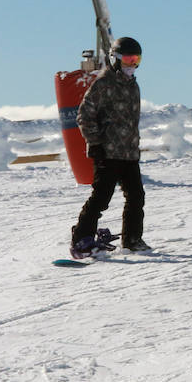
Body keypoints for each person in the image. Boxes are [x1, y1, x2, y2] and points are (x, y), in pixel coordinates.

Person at [70, 36, 148, 257]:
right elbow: (84, 115)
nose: (132, 65)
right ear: (116, 59)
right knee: (101, 197)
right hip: (107, 151)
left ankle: (133, 239)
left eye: (137, 60)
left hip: (129, 153)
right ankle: (81, 239)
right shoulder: (104, 83)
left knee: (136, 196)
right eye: (129, 60)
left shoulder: (134, 86)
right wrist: (94, 142)